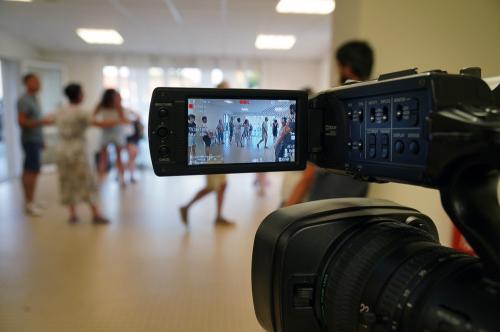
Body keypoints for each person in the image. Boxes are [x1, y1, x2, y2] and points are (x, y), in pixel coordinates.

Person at [284, 40, 373, 206]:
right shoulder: (376, 107)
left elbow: (309, 174)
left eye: (338, 65)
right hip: (354, 207)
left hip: (323, 207)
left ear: (347, 67)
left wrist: (287, 208)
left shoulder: (336, 105)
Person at [52, 83, 126, 224]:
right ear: (79, 95)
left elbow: (48, 120)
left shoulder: (60, 110)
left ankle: (72, 214)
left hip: (61, 149)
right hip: (77, 150)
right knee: (87, 181)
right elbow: (98, 123)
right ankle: (95, 214)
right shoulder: (81, 112)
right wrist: (119, 120)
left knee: (67, 181)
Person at [179, 82, 234, 227]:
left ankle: (218, 216)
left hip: (217, 155)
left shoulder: (220, 109)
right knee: (212, 187)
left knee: (222, 185)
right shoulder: (207, 107)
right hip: (210, 156)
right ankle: (187, 207)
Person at [17, 73, 51, 216]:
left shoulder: (34, 99)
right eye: (35, 81)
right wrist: (41, 122)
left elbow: (35, 121)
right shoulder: (24, 100)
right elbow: (21, 121)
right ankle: (29, 203)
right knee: (30, 170)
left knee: (34, 170)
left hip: (35, 139)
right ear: (27, 83)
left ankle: (31, 200)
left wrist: (41, 139)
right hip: (29, 140)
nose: (39, 84)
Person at [94, 89, 126, 186]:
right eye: (116, 96)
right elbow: (93, 117)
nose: (118, 98)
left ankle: (122, 179)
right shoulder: (100, 105)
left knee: (119, 157)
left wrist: (112, 122)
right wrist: (102, 124)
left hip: (117, 132)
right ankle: (99, 180)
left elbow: (123, 119)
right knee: (103, 158)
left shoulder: (119, 107)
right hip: (105, 132)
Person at [124, 110, 143, 183]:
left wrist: (132, 112)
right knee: (131, 158)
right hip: (130, 141)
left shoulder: (135, 122)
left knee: (132, 159)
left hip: (135, 141)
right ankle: (130, 175)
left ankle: (129, 174)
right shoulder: (127, 122)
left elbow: (139, 116)